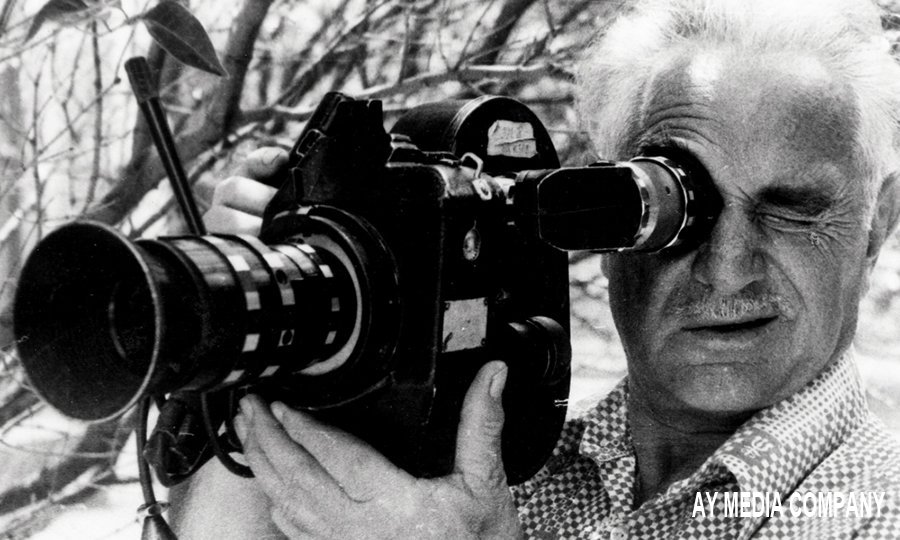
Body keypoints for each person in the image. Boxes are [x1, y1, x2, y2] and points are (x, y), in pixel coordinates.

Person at [170, 0, 900, 537]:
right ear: (596, 217)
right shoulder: (499, 463)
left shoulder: (872, 509)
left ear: (879, 224)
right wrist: (257, 323)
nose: (729, 268)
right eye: (670, 207)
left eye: (792, 211)